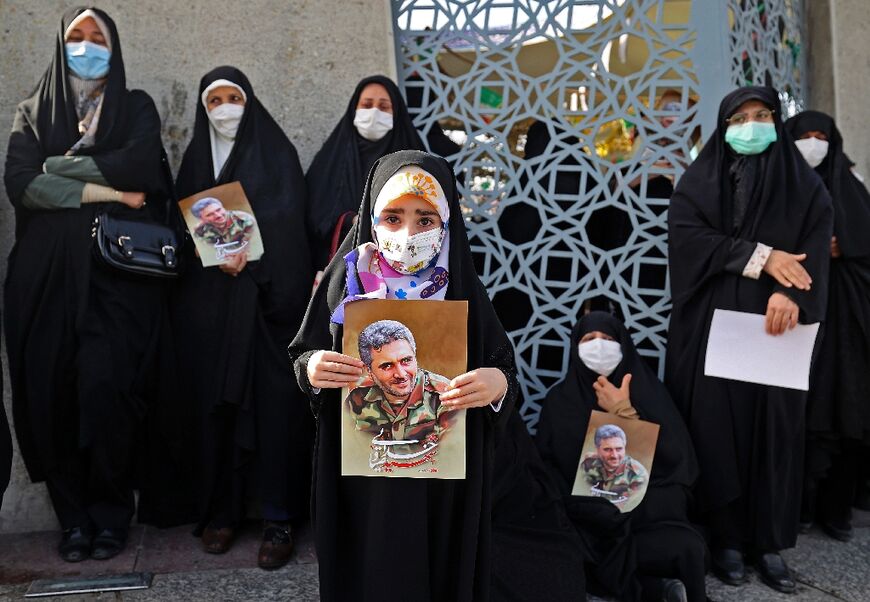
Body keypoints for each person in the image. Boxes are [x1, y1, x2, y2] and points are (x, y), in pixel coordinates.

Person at [289, 150, 517, 602]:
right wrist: (313, 368)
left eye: (425, 219)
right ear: (371, 219)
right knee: (369, 563)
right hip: (362, 473)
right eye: (392, 217)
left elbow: (502, 365)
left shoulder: (461, 285)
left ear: (448, 221)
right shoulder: (348, 278)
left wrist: (497, 385)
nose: (408, 233)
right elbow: (303, 352)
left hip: (443, 473)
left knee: (439, 561)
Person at [3, 7, 172, 561]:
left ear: (114, 44)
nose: (87, 45)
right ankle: (72, 519)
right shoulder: (31, 112)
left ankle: (109, 515)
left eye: (97, 36)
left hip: (114, 278)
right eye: (77, 36)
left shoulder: (136, 107)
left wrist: (63, 170)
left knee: (107, 391)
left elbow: (142, 167)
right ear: (61, 42)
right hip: (44, 280)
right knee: (51, 395)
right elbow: (24, 187)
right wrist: (110, 190)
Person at [666, 86, 833, 594]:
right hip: (714, 332)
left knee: (774, 434)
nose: (752, 125)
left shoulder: (804, 187)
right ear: (724, 126)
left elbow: (812, 249)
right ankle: (727, 540)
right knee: (718, 430)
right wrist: (762, 256)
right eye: (740, 118)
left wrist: (792, 293)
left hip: (777, 332)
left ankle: (769, 543)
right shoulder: (700, 181)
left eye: (762, 115)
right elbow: (689, 236)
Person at [173, 66, 314, 569]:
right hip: (212, 312)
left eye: (235, 97)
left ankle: (279, 518)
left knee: (275, 414)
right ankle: (223, 512)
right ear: (203, 110)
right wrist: (210, 254)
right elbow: (182, 225)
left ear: (249, 101)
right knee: (220, 413)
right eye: (216, 100)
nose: (226, 108)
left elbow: (291, 226)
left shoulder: (276, 155)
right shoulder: (195, 160)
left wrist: (254, 262)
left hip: (269, 310)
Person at [537, 311, 707, 602]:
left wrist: (625, 412)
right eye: (589, 339)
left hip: (643, 519)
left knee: (688, 545)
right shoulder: (559, 401)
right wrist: (587, 505)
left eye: (608, 339)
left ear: (624, 346)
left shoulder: (650, 393)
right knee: (555, 545)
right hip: (584, 520)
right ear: (575, 347)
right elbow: (546, 467)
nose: (599, 346)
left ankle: (647, 587)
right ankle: (656, 589)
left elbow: (678, 463)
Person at [785, 110, 870, 542]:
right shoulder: (777, 185)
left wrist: (848, 246)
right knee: (798, 415)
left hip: (846, 326)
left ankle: (836, 510)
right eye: (805, 135)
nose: (813, 143)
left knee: (845, 414)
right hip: (793, 317)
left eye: (822, 136)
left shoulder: (851, 189)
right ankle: (797, 508)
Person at [305, 76, 427, 266]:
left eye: (384, 107)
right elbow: (314, 214)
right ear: (355, 108)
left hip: (401, 269)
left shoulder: (413, 161)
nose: (374, 113)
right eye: (367, 105)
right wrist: (351, 221)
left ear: (397, 113)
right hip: (339, 270)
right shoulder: (332, 158)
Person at [347, 319, 453, 449]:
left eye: (406, 360)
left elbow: (451, 456)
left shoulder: (445, 396)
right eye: (387, 366)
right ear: (369, 372)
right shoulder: (356, 396)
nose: (401, 374)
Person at [581, 424, 649, 503]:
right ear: (597, 449)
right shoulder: (588, 464)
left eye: (619, 449)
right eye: (607, 449)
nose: (614, 455)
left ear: (624, 447)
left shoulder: (638, 474)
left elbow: (630, 505)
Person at [190, 196, 255, 255]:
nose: (218, 215)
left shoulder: (245, 220)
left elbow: (253, 244)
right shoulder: (200, 231)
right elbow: (207, 251)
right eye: (209, 214)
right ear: (202, 219)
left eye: (219, 210)